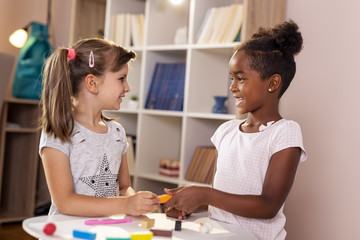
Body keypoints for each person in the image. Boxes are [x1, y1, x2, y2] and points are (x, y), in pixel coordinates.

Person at [164, 20, 307, 240]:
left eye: (240, 79)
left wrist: (205, 193)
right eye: (231, 78)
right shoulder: (226, 131)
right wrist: (192, 204)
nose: (232, 87)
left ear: (273, 83)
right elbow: (222, 201)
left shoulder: (284, 133)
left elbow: (268, 206)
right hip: (217, 234)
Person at [39, 38, 160, 217]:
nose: (127, 88)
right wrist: (126, 205)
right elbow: (65, 202)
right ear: (92, 83)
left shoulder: (117, 133)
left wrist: (136, 202)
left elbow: (124, 188)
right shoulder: (59, 132)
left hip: (104, 231)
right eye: (121, 79)